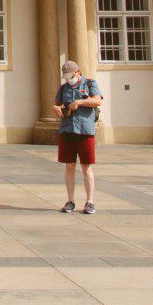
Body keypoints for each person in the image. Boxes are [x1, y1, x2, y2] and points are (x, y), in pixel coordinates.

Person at [52, 59, 103, 215]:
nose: (68, 79)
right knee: (69, 166)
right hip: (67, 130)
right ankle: (70, 200)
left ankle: (90, 201)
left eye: (70, 75)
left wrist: (79, 102)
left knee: (86, 166)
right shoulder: (63, 88)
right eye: (66, 76)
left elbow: (97, 101)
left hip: (85, 130)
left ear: (77, 72)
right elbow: (57, 103)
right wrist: (55, 108)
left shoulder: (89, 83)